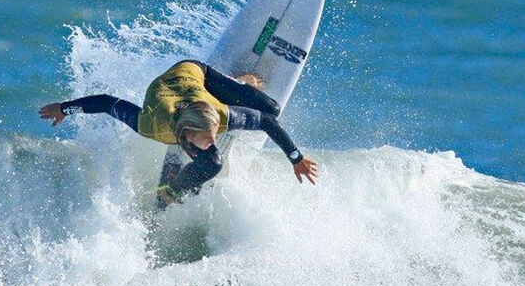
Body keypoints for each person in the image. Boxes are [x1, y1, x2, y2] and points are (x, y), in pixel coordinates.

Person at [39, 59, 318, 206]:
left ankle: (239, 82)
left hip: (198, 74)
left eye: (214, 134)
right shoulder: (151, 124)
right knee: (213, 162)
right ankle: (171, 189)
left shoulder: (218, 115)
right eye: (208, 138)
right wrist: (66, 108)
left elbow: (268, 120)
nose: (214, 141)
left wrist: (296, 158)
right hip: (173, 83)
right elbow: (106, 103)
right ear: (185, 133)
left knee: (271, 107)